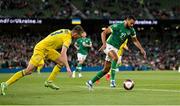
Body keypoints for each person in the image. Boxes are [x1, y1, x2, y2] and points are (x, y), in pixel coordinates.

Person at [0, 25, 84, 95]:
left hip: (48, 49)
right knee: (28, 71)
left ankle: (49, 81)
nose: (77, 38)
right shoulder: (68, 38)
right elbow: (63, 53)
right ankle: (5, 84)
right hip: (41, 49)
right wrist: (68, 68)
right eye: (78, 36)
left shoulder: (66, 31)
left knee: (61, 62)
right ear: (75, 34)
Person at [86, 15, 146, 90]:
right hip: (108, 45)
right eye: (131, 23)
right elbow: (103, 33)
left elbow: (135, 40)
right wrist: (104, 44)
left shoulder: (131, 30)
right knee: (115, 58)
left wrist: (141, 49)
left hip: (116, 49)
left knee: (106, 70)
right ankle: (112, 81)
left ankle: (90, 82)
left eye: (133, 24)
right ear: (127, 20)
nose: (132, 25)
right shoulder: (117, 26)